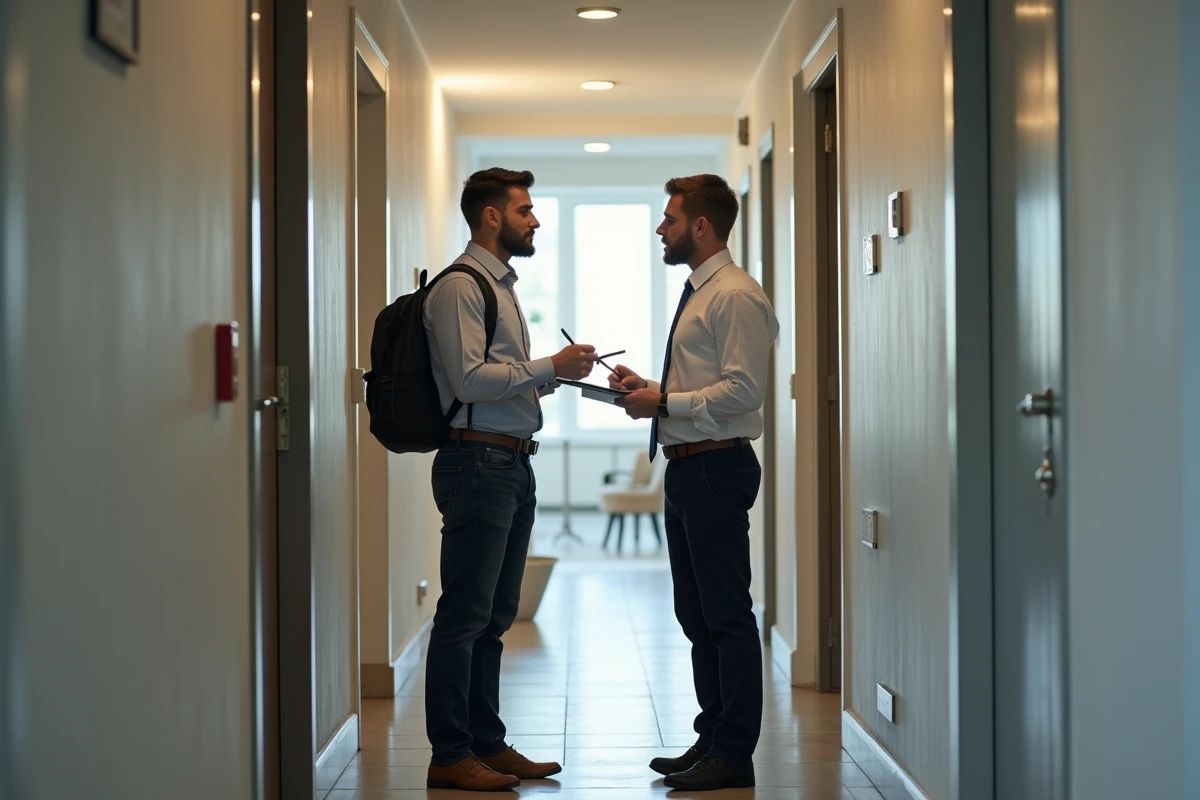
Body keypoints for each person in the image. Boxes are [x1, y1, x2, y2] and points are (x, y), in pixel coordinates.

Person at [423, 167, 597, 792]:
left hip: (510, 462)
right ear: (491, 216)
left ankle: (486, 744)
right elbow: (470, 381)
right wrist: (547, 364)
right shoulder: (460, 288)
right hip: (477, 463)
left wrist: (560, 372)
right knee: (464, 614)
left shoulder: (502, 286)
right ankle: (449, 754)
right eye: (525, 209)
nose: (535, 220)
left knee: (495, 615)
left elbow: (503, 377)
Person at [610, 174, 779, 792]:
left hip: (715, 466)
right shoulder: (701, 292)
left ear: (700, 226)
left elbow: (744, 390)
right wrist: (650, 394)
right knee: (696, 615)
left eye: (670, 219)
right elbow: (703, 385)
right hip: (688, 469)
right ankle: (712, 739)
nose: (662, 228)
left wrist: (664, 403)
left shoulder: (732, 295)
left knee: (727, 616)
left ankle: (734, 754)